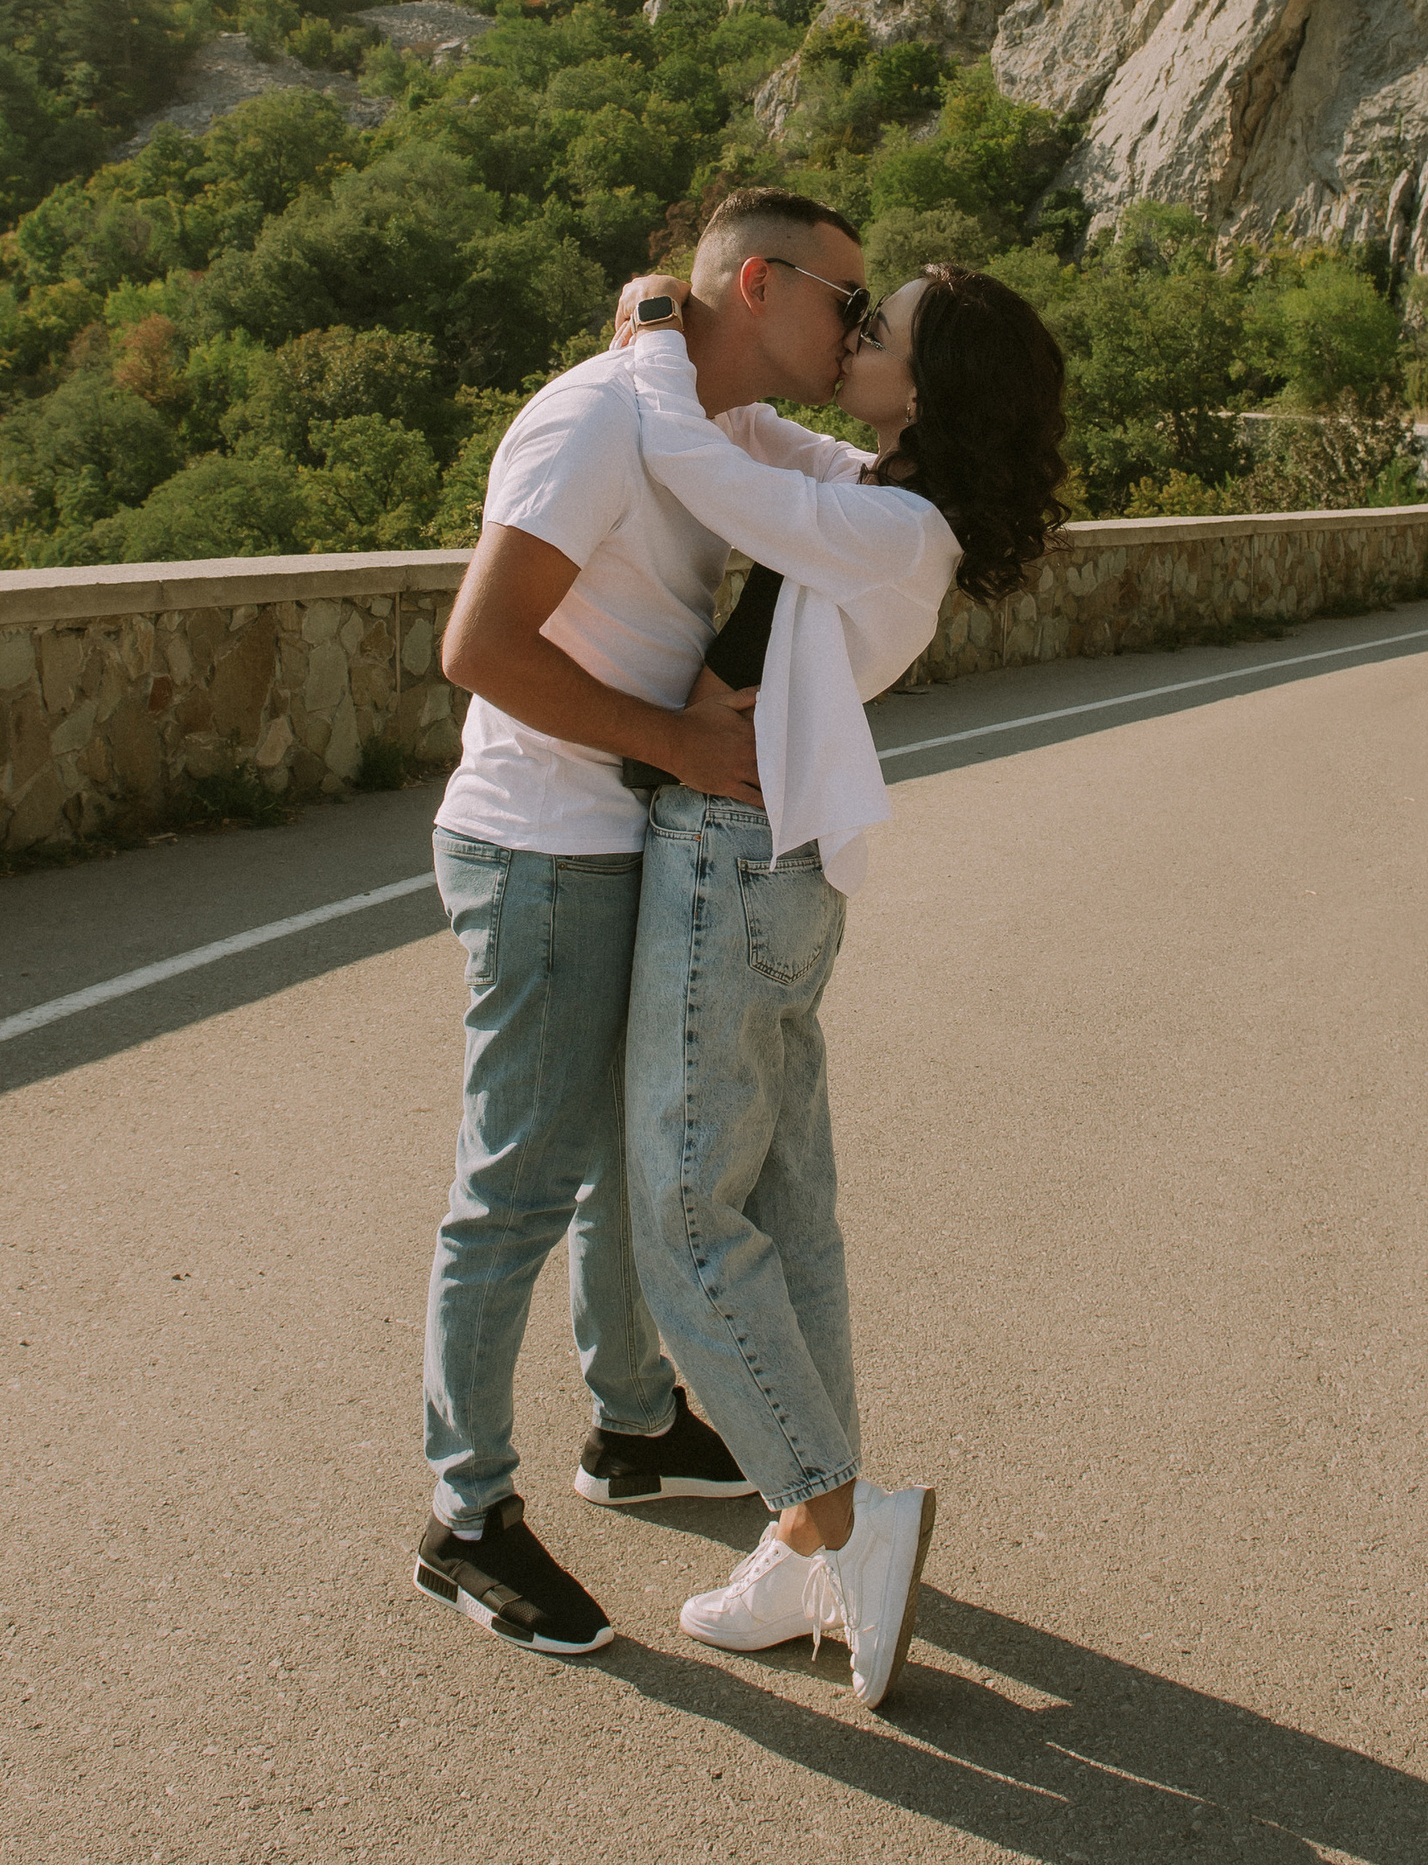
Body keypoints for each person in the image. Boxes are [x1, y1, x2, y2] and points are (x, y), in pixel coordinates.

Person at [413, 188, 884, 1658]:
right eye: (843, 301)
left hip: (625, 838)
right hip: (541, 844)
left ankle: (628, 1426)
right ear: (758, 284)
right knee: (519, 1185)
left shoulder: (717, 424)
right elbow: (477, 648)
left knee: (630, 1162)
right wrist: (676, 747)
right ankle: (466, 1515)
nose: (856, 327)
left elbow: (888, 485)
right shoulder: (600, 420)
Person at [608, 258, 1070, 1709]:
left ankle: (836, 1516)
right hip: (776, 869)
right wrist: (701, 347)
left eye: (882, 330)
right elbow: (756, 442)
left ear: (929, 387)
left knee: (683, 1210)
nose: (856, 337)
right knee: (783, 1212)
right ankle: (803, 1544)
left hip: (737, 862)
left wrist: (642, 343)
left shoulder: (888, 530)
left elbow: (699, 454)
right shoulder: (882, 497)